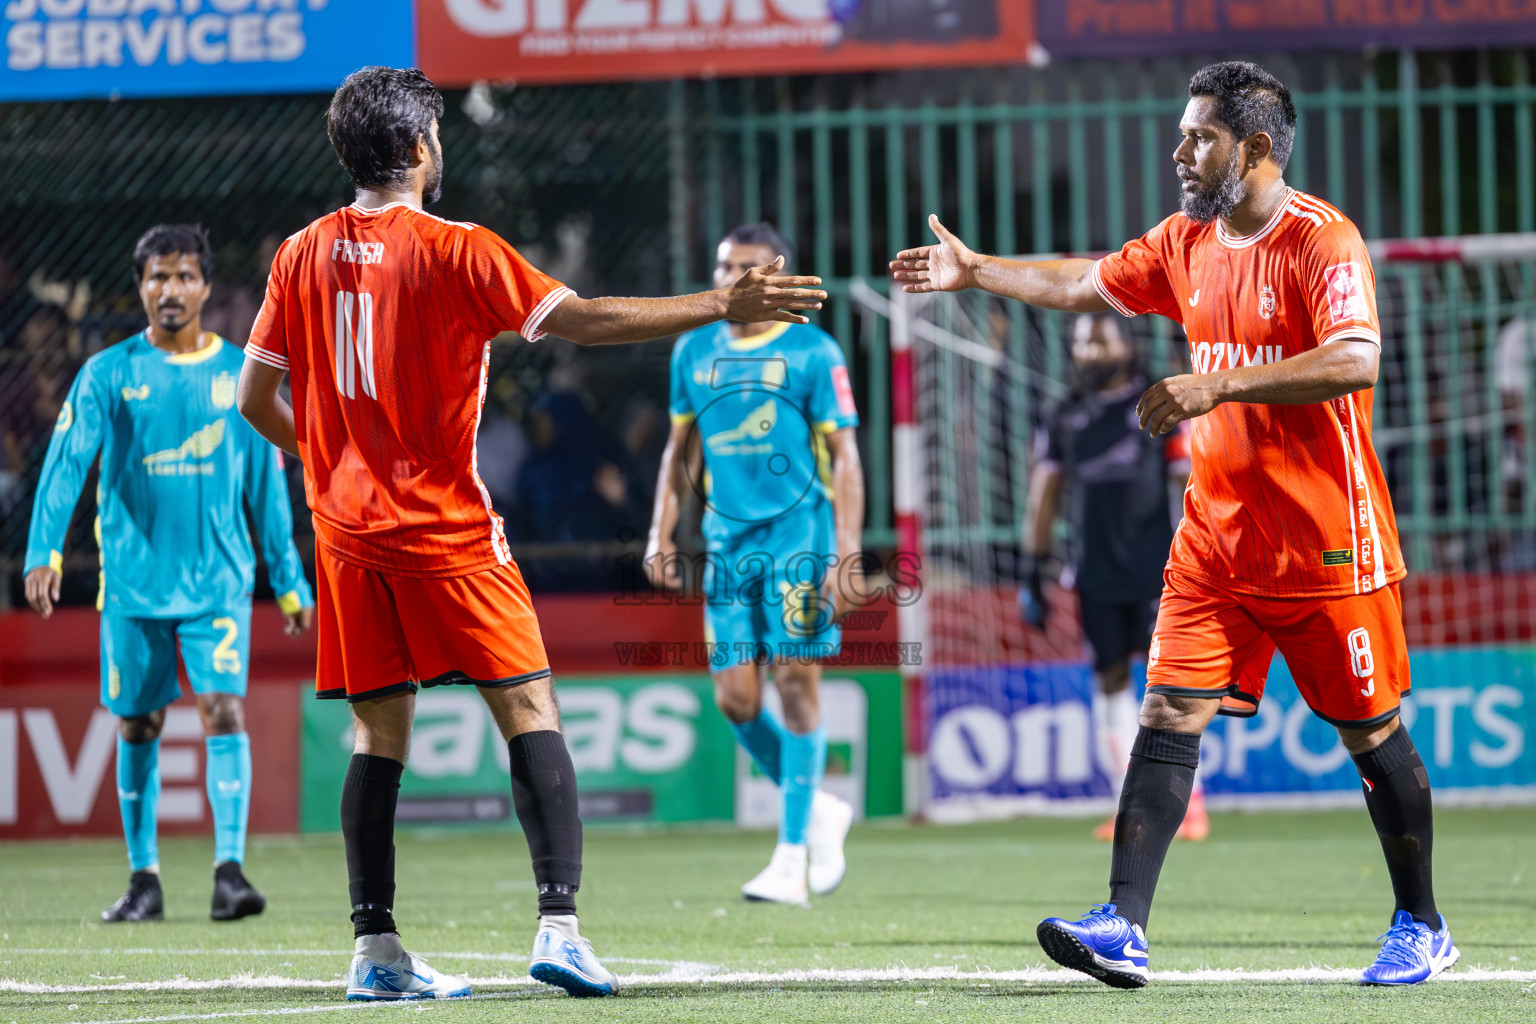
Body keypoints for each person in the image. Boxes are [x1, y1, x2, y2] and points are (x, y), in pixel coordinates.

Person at [235, 66, 826, 1001]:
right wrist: (723, 304)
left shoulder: (298, 252)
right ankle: (559, 927)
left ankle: (375, 953)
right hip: (448, 530)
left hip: (345, 533)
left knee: (375, 736)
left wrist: (333, 463)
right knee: (528, 708)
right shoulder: (457, 248)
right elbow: (583, 320)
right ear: (424, 147)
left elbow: (253, 397)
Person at [892, 61, 1456, 988]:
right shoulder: (1185, 240)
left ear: (1258, 147)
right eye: (1182, 133)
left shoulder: (1323, 241)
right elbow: (1090, 284)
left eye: (1200, 136)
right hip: (1214, 544)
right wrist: (976, 270)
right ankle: (1122, 924)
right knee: (1166, 710)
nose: (1179, 151)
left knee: (1371, 733)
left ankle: (1422, 922)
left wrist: (1219, 381)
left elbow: (1357, 360)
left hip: (1326, 544)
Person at [23, 224, 315, 924]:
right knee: (140, 725)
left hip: (216, 586)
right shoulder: (109, 374)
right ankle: (144, 879)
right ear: (141, 287)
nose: (171, 290)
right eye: (158, 277)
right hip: (132, 587)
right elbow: (67, 463)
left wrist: (290, 579)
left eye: (185, 277)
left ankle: (230, 872)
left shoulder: (240, 375)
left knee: (222, 709)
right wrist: (44, 550)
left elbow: (267, 489)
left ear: (207, 287)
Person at [645, 223, 865, 906]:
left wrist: (848, 551)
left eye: (747, 268)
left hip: (800, 538)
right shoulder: (693, 349)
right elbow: (678, 451)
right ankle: (821, 809)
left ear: (775, 276)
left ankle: (792, 854)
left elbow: (848, 460)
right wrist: (660, 532)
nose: (732, 279)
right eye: (723, 267)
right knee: (735, 699)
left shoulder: (812, 350)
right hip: (727, 547)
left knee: (796, 683)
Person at [1022, 312, 1205, 842]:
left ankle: (1187, 804)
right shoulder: (1063, 415)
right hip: (1095, 572)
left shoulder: (1160, 403)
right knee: (1108, 680)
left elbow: (1190, 476)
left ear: (1126, 345)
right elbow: (1045, 492)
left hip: (1162, 570)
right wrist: (1034, 568)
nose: (1090, 352)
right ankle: (1125, 803)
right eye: (1081, 344)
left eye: (1100, 342)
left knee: (1171, 687)